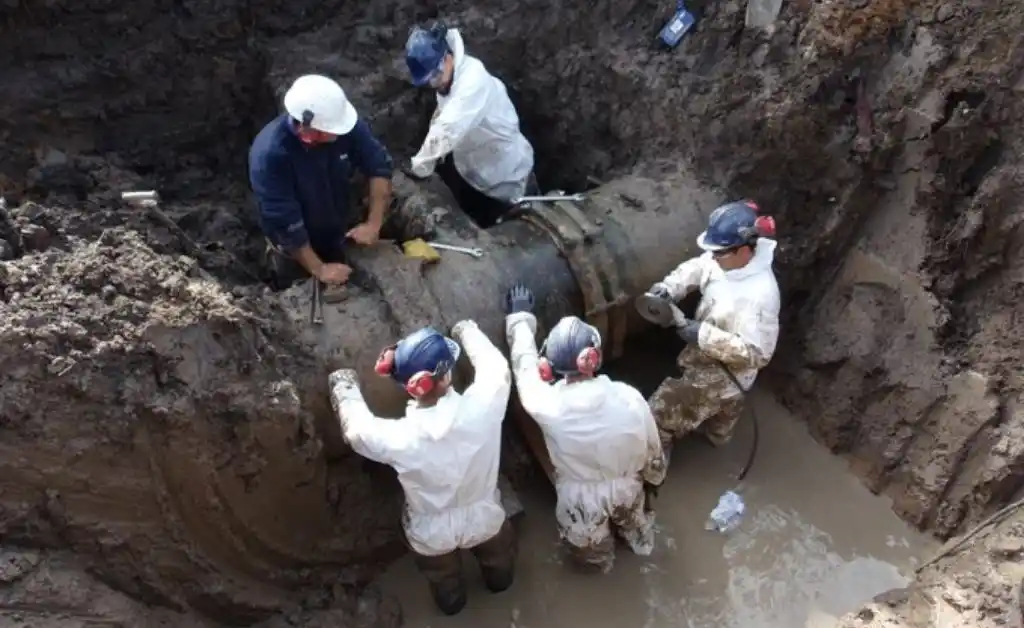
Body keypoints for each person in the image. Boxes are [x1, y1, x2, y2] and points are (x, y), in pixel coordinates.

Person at [327, 322, 515, 616]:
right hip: (485, 516)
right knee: (498, 557)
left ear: (407, 386)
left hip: (431, 532)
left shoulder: (400, 438)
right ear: (446, 376)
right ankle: (500, 585)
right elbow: (496, 368)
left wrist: (343, 385)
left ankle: (453, 606)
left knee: (443, 578)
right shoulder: (484, 407)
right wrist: (465, 330)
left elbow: (357, 432)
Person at [503, 283, 667, 574]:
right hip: (628, 485)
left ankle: (601, 570)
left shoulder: (546, 404)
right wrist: (654, 478)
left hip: (580, 499)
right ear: (595, 358)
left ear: (548, 368)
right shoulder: (628, 396)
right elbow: (652, 448)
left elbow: (523, 366)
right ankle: (641, 550)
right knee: (637, 531)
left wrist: (520, 318)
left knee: (590, 551)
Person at [645, 200, 780, 462]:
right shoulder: (724, 258)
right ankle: (717, 437)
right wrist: (669, 287)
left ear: (744, 249)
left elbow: (758, 354)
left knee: (657, 417)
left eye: (719, 253)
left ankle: (652, 468)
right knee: (722, 418)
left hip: (725, 374)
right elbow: (698, 267)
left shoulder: (761, 295)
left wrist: (703, 336)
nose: (713, 257)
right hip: (715, 361)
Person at [249, 74, 394, 291]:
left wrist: (374, 223)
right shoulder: (270, 155)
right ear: (308, 131)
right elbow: (284, 220)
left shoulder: (342, 124)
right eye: (332, 131)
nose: (339, 134)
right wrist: (319, 269)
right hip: (294, 248)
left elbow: (378, 165)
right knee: (297, 291)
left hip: (337, 227)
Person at [404, 23, 537, 228]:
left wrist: (421, 166)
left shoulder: (472, 81)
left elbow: (447, 128)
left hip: (509, 179)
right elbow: (443, 114)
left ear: (447, 57)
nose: (434, 83)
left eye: (436, 74)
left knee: (521, 230)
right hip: (476, 174)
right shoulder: (448, 78)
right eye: (428, 80)